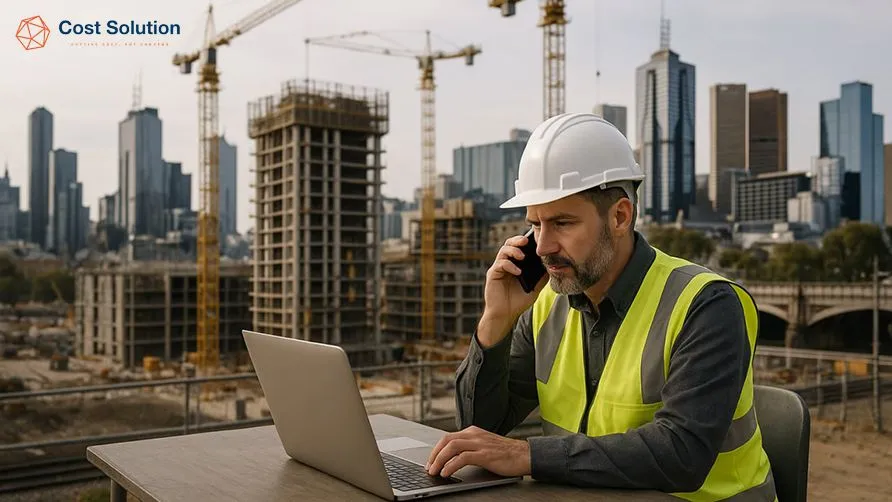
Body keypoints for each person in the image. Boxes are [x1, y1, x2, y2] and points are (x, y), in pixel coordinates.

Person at [425, 113, 776, 500]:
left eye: (562, 223)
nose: (542, 247)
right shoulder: (544, 305)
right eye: (535, 225)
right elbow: (479, 430)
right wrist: (496, 320)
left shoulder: (706, 304)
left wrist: (527, 455)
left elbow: (681, 454)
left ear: (620, 217)